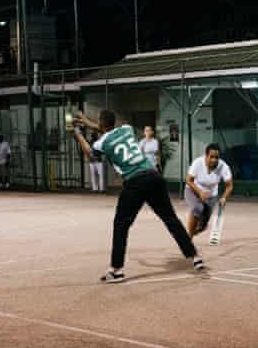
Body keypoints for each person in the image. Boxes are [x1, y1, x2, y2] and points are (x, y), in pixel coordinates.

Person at [72, 110, 203, 283]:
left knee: (121, 225)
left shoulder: (101, 143)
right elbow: (103, 128)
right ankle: (195, 256)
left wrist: (78, 133)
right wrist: (85, 121)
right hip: (153, 176)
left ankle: (116, 270)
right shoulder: (126, 129)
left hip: (134, 181)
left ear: (102, 125)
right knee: (170, 218)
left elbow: (90, 154)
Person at [185, 144, 234, 237]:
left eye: (217, 157)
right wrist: (200, 192)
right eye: (211, 157)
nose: (214, 160)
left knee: (202, 226)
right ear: (206, 156)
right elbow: (188, 180)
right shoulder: (198, 163)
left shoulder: (224, 167)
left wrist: (224, 198)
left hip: (211, 195)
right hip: (193, 190)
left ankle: (197, 229)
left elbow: (229, 186)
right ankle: (188, 239)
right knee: (197, 209)